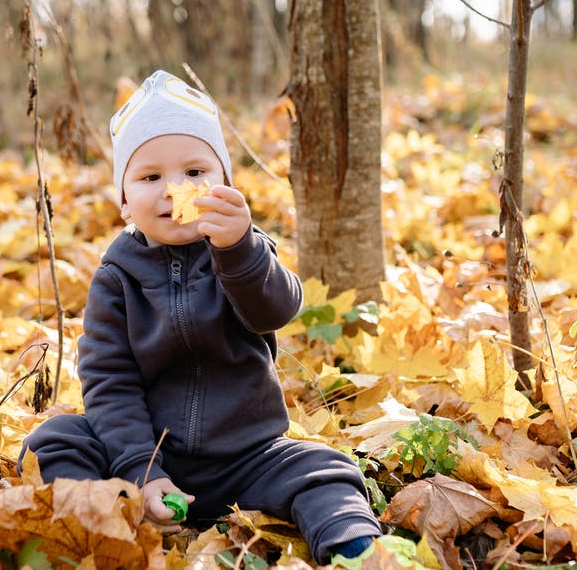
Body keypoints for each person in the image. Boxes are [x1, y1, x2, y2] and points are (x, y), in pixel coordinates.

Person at [20, 70, 382, 563]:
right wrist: (142, 471)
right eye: (150, 177)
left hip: (247, 458)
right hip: (147, 458)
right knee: (55, 440)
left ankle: (355, 550)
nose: (174, 189)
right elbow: (110, 382)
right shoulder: (116, 278)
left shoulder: (244, 253)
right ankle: (91, 533)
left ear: (225, 185)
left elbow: (275, 309)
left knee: (326, 469)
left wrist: (240, 250)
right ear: (124, 201)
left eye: (195, 173)